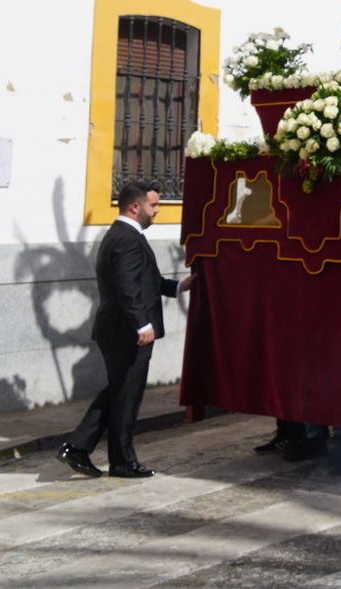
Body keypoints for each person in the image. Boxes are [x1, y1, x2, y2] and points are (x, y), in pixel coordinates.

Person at [57, 181, 194, 478]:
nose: (157, 211)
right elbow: (126, 287)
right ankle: (117, 460)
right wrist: (141, 324)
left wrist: (182, 285)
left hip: (121, 328)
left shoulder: (125, 236)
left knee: (121, 391)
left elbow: (149, 281)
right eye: (153, 206)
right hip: (127, 330)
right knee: (126, 395)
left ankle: (81, 448)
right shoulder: (126, 239)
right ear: (135, 206)